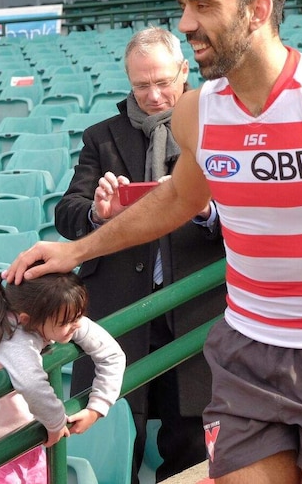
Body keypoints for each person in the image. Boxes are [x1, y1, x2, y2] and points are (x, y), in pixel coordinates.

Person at [6, 0, 302, 484]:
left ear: (257, 12)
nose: (185, 23)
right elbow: (179, 201)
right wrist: (76, 249)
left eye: (203, 5)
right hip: (246, 351)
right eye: (183, 6)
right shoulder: (198, 111)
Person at [54, 26, 226, 482]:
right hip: (119, 313)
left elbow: (251, 217)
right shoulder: (101, 138)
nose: (153, 95)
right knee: (109, 446)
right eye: (141, 85)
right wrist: (97, 213)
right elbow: (67, 214)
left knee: (189, 446)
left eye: (163, 82)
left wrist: (206, 211)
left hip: (193, 313)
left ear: (185, 71)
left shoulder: (218, 127)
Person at [0, 271, 126, 484]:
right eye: (68, 320)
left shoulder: (59, 316)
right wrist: (56, 422)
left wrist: (97, 407)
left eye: (78, 315)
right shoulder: (11, 338)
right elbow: (31, 384)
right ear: (27, 320)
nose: (78, 324)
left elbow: (112, 355)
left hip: (20, 433)